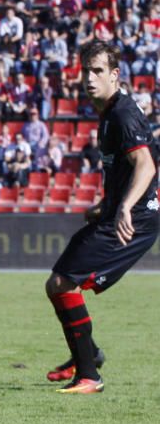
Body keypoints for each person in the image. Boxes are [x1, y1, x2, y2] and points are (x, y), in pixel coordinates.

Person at [44, 41, 159, 393]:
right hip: (116, 213)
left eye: (97, 71)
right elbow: (124, 170)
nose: (89, 78)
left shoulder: (122, 113)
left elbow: (146, 165)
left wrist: (124, 207)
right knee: (58, 284)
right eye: (85, 71)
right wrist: (106, 203)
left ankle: (90, 373)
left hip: (132, 222)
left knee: (63, 283)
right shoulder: (109, 111)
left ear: (114, 74)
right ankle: (87, 356)